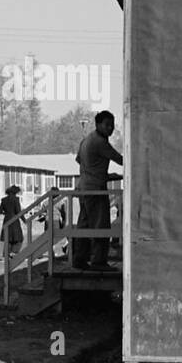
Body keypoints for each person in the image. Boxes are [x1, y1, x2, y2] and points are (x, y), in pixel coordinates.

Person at [72, 111, 123, 270]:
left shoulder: (86, 140)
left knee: (85, 226)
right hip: (95, 190)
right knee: (101, 224)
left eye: (112, 125)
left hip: (84, 189)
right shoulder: (100, 142)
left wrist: (103, 175)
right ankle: (99, 262)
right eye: (107, 125)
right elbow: (121, 159)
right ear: (98, 124)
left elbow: (79, 160)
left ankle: (79, 259)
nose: (110, 128)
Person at [0, 184, 24, 257]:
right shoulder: (16, 199)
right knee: (19, 238)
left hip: (6, 220)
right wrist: (25, 220)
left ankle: (6, 254)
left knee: (8, 238)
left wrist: (6, 213)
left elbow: (0, 211)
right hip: (15, 220)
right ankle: (14, 252)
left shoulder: (4, 200)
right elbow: (18, 212)